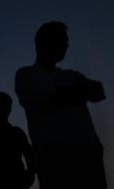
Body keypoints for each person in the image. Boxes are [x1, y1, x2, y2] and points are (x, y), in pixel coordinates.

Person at [15, 21, 107, 189]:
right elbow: (50, 98)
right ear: (46, 42)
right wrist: (77, 92)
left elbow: (98, 91)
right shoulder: (26, 75)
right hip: (55, 158)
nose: (67, 45)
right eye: (62, 40)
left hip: (89, 156)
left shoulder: (70, 75)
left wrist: (68, 93)